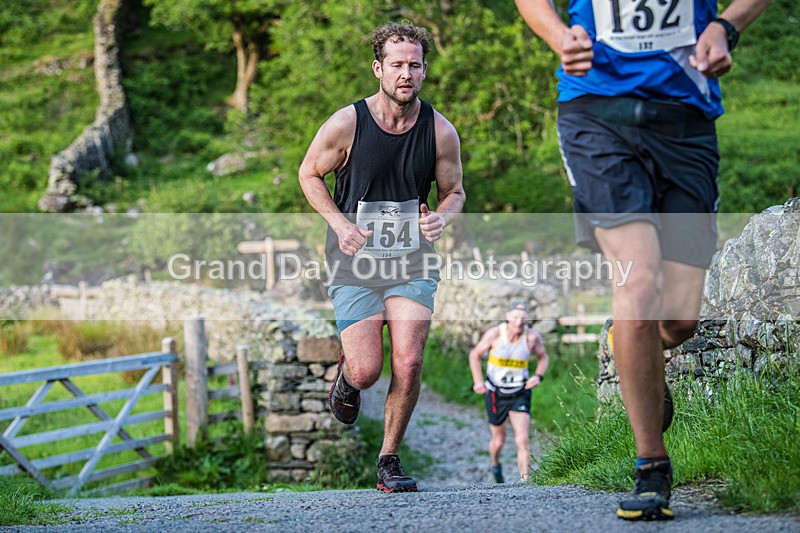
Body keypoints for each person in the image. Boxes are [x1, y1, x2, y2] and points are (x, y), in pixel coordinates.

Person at [514, 0, 771, 521]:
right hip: (596, 113)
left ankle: (629, 344)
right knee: (638, 280)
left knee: (679, 321)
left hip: (684, 115)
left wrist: (725, 27)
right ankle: (651, 464)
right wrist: (557, 35)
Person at [298, 21, 465, 493]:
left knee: (408, 363)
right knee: (369, 370)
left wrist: (442, 219)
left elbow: (455, 192)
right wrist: (339, 223)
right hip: (355, 263)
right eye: (396, 65)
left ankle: (389, 459)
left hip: (412, 260)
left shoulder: (439, 130)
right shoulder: (347, 123)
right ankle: (348, 379)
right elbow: (309, 174)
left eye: (414, 65)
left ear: (424, 70)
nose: (405, 74)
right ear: (378, 69)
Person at [468, 301, 549, 483]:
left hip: (520, 391)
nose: (519, 322)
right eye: (515, 317)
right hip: (496, 392)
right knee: (499, 440)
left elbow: (543, 357)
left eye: (523, 318)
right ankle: (495, 466)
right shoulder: (495, 334)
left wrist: (538, 376)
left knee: (522, 439)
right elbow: (474, 355)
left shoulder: (532, 337)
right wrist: (478, 381)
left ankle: (525, 481)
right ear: (507, 316)